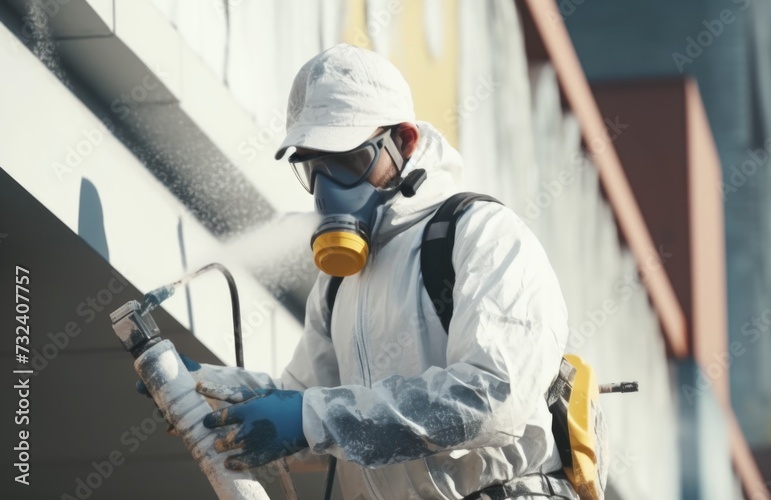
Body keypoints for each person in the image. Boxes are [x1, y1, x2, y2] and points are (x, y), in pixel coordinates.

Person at [144, 43, 577, 499]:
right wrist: (202, 389)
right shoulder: (338, 284)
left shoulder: (482, 235)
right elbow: (303, 396)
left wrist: (312, 418)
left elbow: (493, 398)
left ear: (404, 141)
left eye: (349, 162)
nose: (328, 187)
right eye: (314, 166)